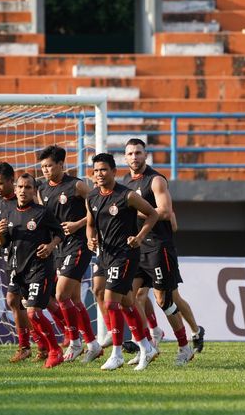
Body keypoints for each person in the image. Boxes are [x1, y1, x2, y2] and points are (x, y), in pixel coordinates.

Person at [121, 139, 195, 365]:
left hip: (158, 247)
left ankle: (184, 347)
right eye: (130, 154)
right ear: (125, 158)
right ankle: (146, 346)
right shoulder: (125, 181)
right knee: (127, 297)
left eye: (138, 153)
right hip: (136, 247)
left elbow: (165, 212)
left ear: (146, 155)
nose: (134, 157)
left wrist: (138, 213)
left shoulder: (156, 180)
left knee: (164, 300)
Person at [86, 153, 159, 371]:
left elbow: (153, 214)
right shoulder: (92, 197)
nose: (99, 174)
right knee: (127, 303)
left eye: (104, 170)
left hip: (125, 255)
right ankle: (147, 348)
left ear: (113, 171)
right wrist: (91, 238)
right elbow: (90, 223)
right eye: (96, 170)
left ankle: (116, 353)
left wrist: (139, 237)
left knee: (110, 302)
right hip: (105, 255)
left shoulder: (126, 196)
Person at [0, 162, 63, 362]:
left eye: (1, 183)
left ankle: (67, 339)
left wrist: (50, 246)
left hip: (37, 264)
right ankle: (36, 345)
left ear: (12, 181)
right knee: (20, 303)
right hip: (14, 261)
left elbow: (57, 231)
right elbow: (2, 240)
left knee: (42, 305)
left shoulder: (35, 208)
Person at [37, 146, 102, 363]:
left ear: (61, 165)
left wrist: (79, 224)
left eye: (49, 166)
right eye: (43, 166)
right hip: (59, 247)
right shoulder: (42, 190)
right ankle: (93, 344)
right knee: (73, 299)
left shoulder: (76, 185)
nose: (45, 170)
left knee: (61, 295)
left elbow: (97, 206)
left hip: (79, 244)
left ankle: (74, 341)